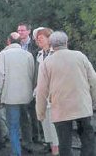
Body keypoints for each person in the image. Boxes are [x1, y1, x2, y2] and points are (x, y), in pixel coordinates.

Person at [36, 31, 96, 156]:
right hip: (82, 104)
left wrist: (40, 113)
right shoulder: (80, 56)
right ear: (67, 42)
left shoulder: (47, 63)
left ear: (51, 44)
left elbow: (41, 90)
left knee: (64, 142)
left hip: (60, 108)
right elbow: (93, 80)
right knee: (87, 138)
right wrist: (94, 100)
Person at [0, 36, 35, 156]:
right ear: (20, 42)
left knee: (13, 126)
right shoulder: (28, 55)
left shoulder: (4, 55)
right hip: (26, 96)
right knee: (26, 121)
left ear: (8, 41)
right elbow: (32, 75)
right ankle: (28, 144)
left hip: (11, 97)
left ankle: (16, 152)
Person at [33, 27, 59, 155]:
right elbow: (39, 76)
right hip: (42, 94)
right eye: (37, 39)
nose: (38, 40)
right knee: (46, 124)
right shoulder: (39, 54)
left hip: (55, 95)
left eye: (41, 38)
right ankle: (52, 148)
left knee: (55, 126)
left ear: (49, 38)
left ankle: (56, 151)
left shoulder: (56, 54)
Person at [17, 22, 42, 147]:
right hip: (20, 81)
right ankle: (28, 139)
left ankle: (37, 136)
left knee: (34, 111)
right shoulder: (16, 45)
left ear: (28, 31)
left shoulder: (34, 46)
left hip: (32, 80)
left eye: (22, 30)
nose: (20, 32)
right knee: (23, 112)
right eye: (19, 30)